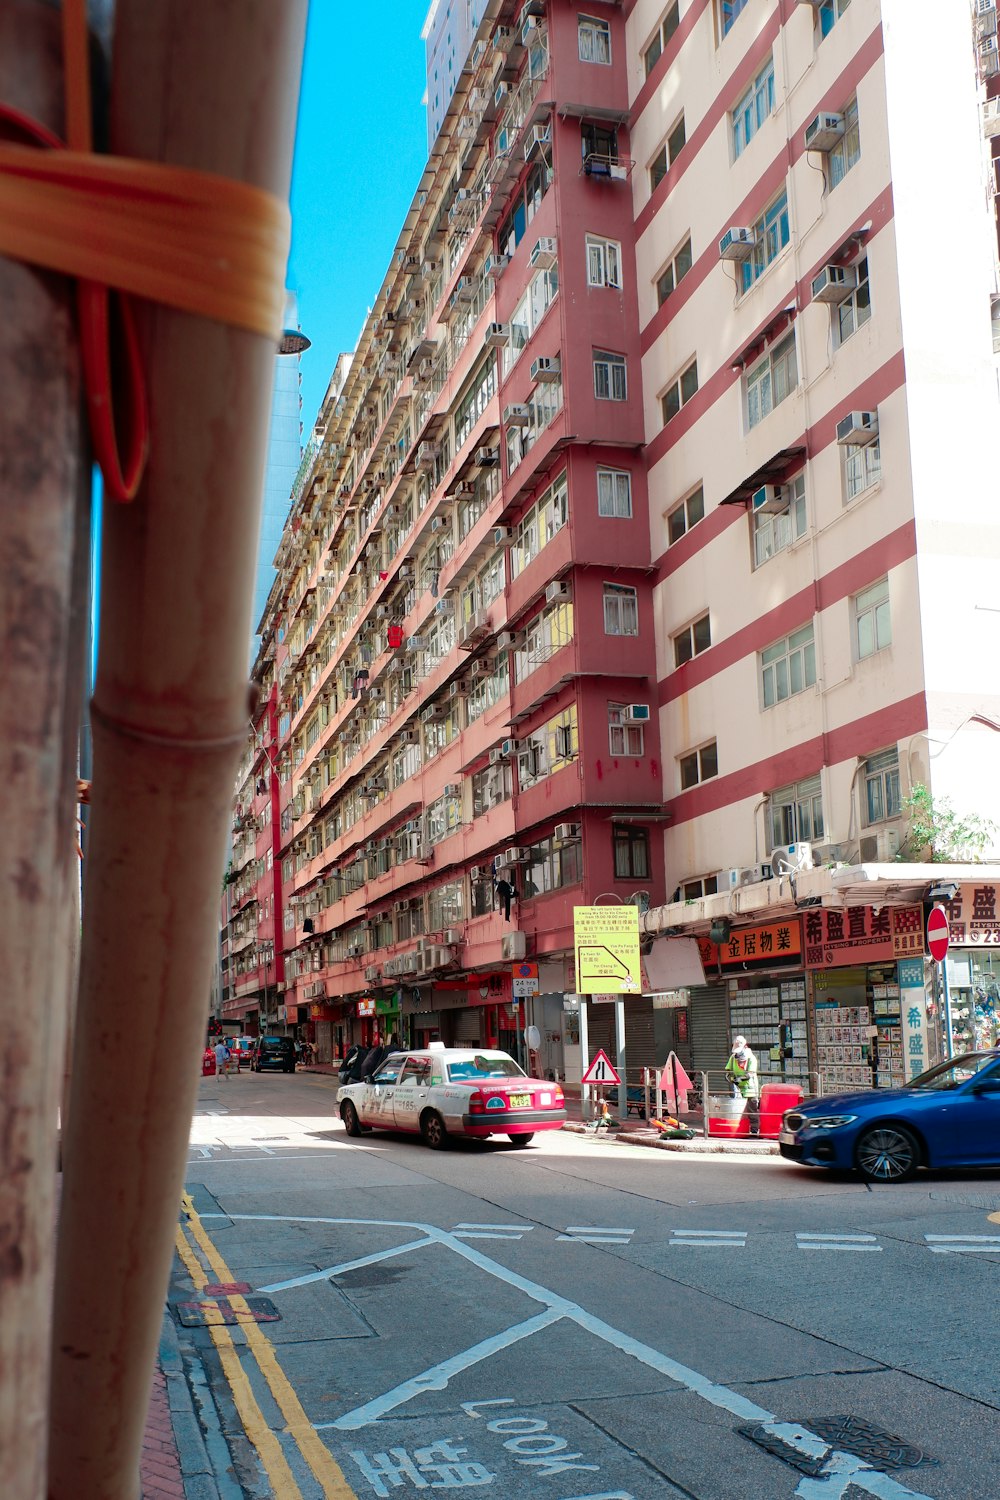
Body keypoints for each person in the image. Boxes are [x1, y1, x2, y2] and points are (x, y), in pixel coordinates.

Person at [725, 1035, 760, 1136]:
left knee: (752, 1109)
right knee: (737, 1110)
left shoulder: (751, 1058)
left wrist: (738, 1079)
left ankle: (754, 1130)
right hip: (737, 1089)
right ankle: (739, 1129)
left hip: (750, 1089)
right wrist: (729, 1077)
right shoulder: (733, 1058)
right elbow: (728, 1070)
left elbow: (750, 1074)